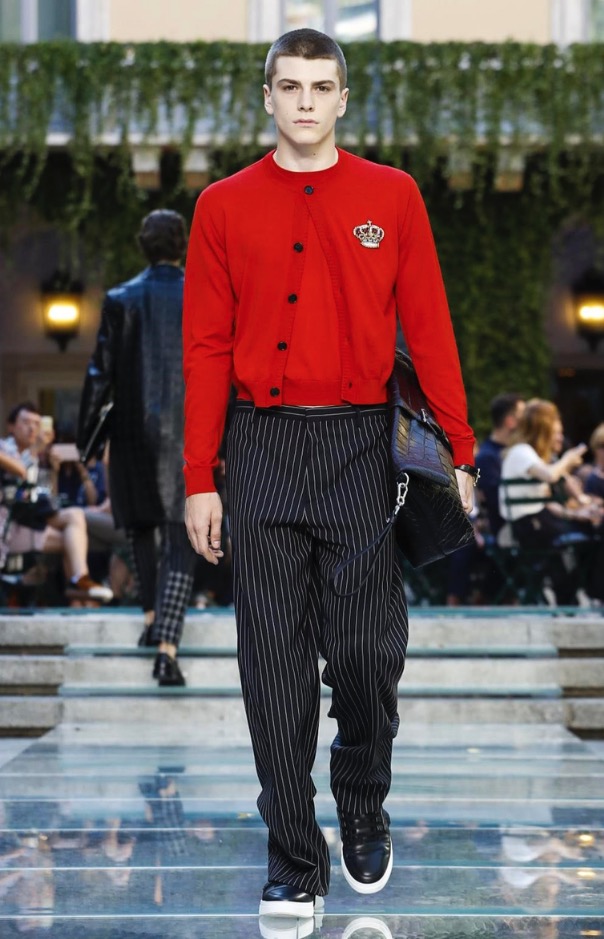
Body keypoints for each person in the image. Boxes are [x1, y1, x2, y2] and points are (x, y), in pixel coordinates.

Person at [183, 29, 476, 919]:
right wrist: (200, 474)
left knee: (369, 649)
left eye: (321, 86)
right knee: (271, 664)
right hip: (260, 446)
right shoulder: (221, 207)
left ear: (343, 99)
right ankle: (293, 859)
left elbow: (429, 324)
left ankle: (362, 798)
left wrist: (460, 452)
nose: (305, 101)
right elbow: (205, 347)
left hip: (360, 446)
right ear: (267, 97)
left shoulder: (393, 194)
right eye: (290, 86)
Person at [78, 209, 197, 686]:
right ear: (183, 245)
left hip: (130, 431)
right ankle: (167, 648)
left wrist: (86, 437)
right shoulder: (201, 295)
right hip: (190, 431)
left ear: (142, 245)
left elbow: (99, 374)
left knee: (142, 526)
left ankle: (151, 619)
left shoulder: (120, 299)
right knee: (183, 536)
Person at [0, 402, 113, 602]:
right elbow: (21, 473)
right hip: (10, 528)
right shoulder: (5, 448)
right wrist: (35, 451)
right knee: (73, 535)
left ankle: (79, 582)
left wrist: (53, 469)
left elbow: (45, 496)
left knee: (74, 520)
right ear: (11, 426)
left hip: (27, 521)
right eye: (26, 422)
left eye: (37, 424)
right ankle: (77, 584)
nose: (32, 428)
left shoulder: (35, 455)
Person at [499, 399, 598, 604]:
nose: (559, 436)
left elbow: (545, 502)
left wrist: (576, 513)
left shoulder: (530, 455)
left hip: (538, 522)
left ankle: (579, 596)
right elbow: (550, 476)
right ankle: (583, 595)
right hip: (527, 527)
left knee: (590, 532)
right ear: (543, 430)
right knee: (588, 537)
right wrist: (567, 459)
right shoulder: (522, 452)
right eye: (556, 431)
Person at [476, 393, 525, 537]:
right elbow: (499, 504)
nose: (529, 422)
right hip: (512, 532)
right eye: (524, 417)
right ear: (510, 421)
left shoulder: (519, 451)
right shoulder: (487, 457)